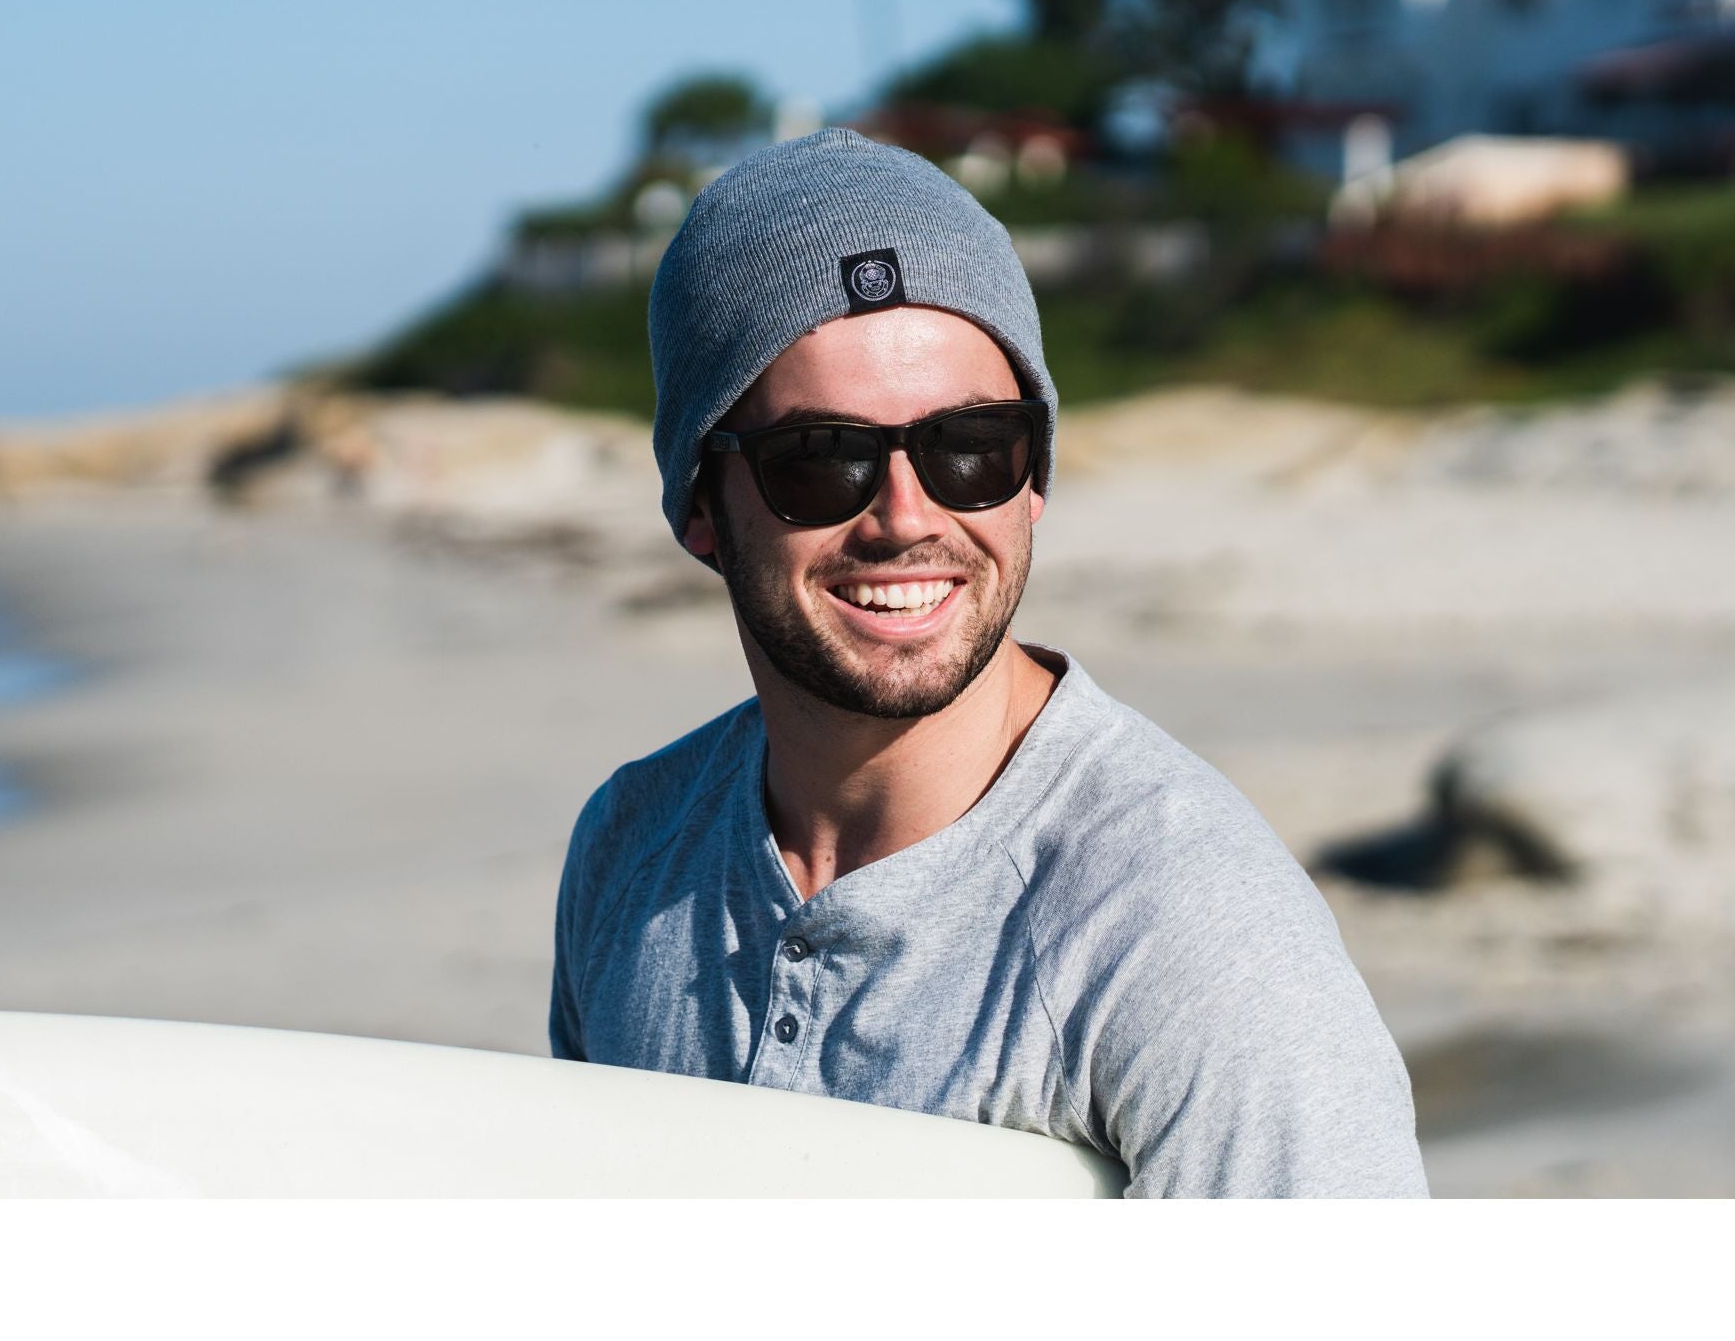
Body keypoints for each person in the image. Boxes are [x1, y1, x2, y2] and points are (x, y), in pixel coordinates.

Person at [548, 128, 1427, 1198]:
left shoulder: (1183, 930)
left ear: (1034, 476)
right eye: (820, 459)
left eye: (972, 446)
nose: (906, 517)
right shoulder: (631, 849)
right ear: (699, 503)